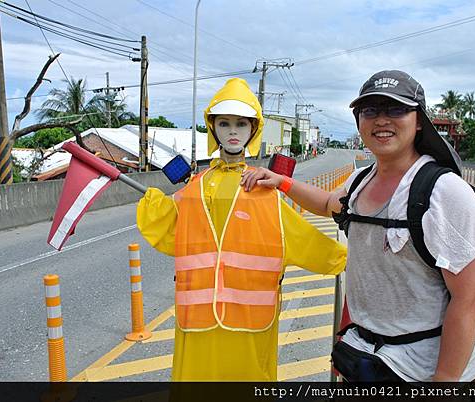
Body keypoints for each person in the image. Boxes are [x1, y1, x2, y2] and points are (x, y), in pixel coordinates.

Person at [241, 70, 475, 382]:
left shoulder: (444, 192)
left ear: (419, 121)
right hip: (366, 357)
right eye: (370, 110)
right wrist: (282, 182)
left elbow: (470, 299)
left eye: (396, 109)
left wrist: (444, 381)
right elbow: (326, 204)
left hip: (421, 370)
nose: (381, 120)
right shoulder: (361, 180)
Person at [136, 77, 346, 381]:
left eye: (241, 124)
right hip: (198, 320)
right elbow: (166, 227)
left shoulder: (264, 190)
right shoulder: (194, 189)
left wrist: (344, 258)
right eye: (224, 123)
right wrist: (152, 203)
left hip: (251, 321)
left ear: (253, 130)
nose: (233, 131)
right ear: (213, 128)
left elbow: (302, 237)